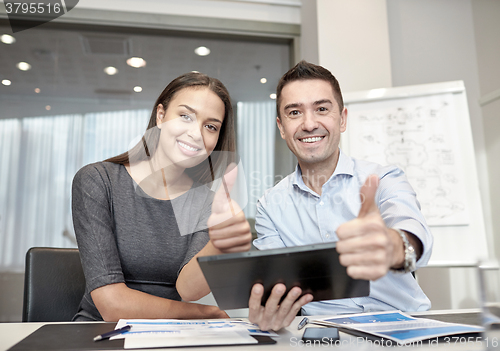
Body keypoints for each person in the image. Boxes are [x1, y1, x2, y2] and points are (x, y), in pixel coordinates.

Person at [249, 61, 433, 330]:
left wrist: (392, 245)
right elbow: (278, 287)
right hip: (322, 333)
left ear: (342, 118)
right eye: (294, 112)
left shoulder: (383, 179)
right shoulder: (269, 206)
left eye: (322, 109)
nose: (309, 124)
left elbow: (413, 233)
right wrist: (270, 307)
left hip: (404, 326)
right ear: (281, 127)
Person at [71, 72, 251, 321]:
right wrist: (205, 313)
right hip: (101, 332)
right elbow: (111, 305)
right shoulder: (98, 180)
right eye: (185, 116)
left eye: (210, 126)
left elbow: (188, 289)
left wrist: (219, 244)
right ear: (161, 115)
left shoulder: (207, 203)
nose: (196, 134)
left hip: (171, 335)